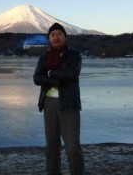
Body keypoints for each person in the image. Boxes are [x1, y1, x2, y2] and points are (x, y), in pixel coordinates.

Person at [33, 23, 84, 175]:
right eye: (52, 35)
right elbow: (36, 78)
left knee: (72, 147)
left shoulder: (74, 55)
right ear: (49, 38)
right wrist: (56, 78)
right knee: (52, 147)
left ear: (65, 37)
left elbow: (71, 74)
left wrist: (49, 74)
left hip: (69, 104)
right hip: (49, 104)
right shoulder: (44, 57)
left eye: (59, 34)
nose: (56, 37)